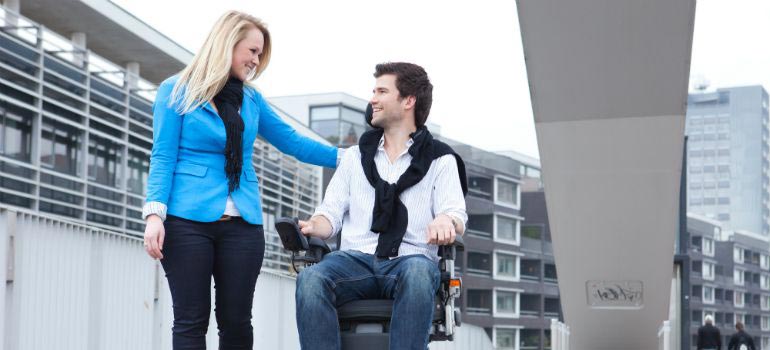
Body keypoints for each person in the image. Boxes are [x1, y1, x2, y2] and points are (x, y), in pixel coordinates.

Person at [141, 10, 340, 349]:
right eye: (252, 51)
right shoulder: (176, 91)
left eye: (260, 54)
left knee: (236, 322)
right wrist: (153, 215)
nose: (256, 61)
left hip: (243, 225)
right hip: (187, 220)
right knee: (191, 320)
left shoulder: (251, 99)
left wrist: (350, 156)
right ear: (228, 44)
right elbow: (163, 156)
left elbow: (292, 142)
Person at [294, 62, 468, 350]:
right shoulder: (354, 158)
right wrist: (314, 225)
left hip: (409, 260)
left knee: (418, 272)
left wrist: (446, 221)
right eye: (373, 91)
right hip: (354, 261)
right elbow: (330, 215)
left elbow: (456, 214)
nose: (372, 99)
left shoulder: (441, 160)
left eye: (382, 91)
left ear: (408, 100)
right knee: (311, 279)